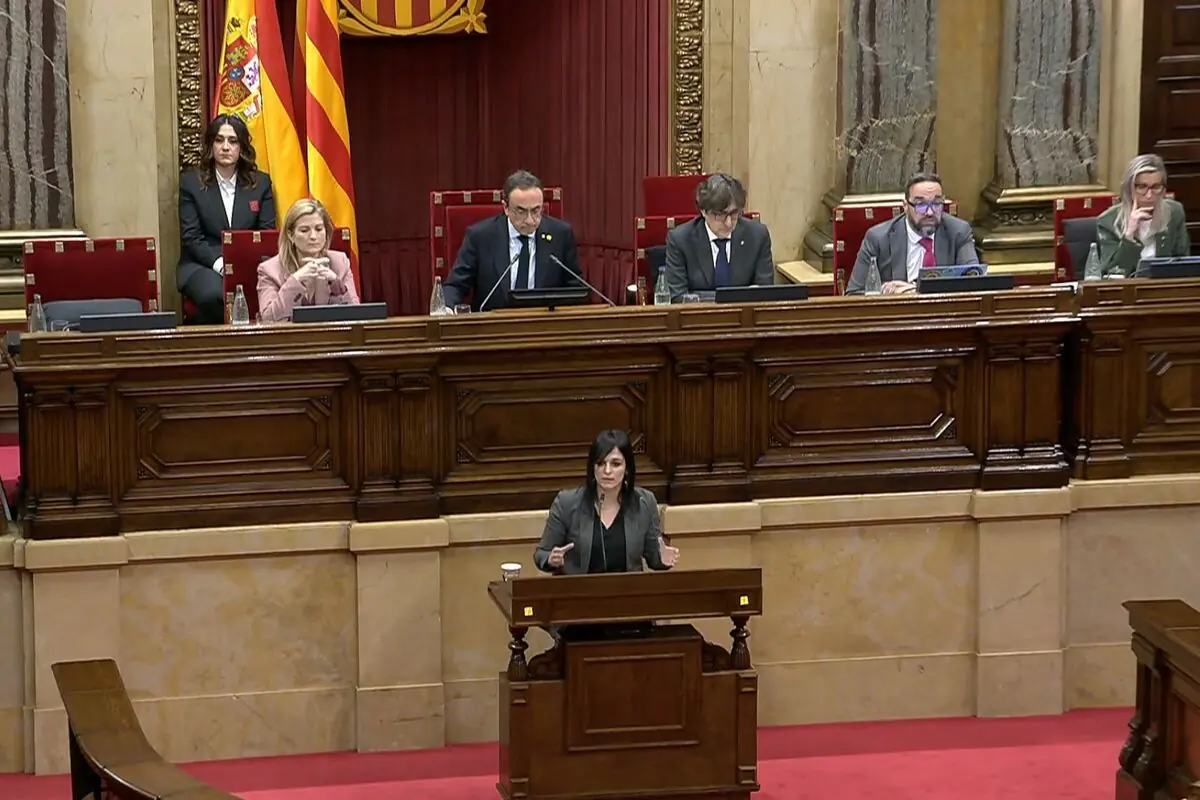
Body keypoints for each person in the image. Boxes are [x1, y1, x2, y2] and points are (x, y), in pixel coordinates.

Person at [535, 429, 679, 575]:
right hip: (578, 593)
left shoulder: (644, 502)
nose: (607, 471)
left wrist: (662, 558)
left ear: (627, 468)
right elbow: (541, 553)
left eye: (615, 464)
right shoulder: (567, 502)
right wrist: (551, 559)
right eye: (601, 463)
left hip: (626, 593)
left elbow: (654, 558)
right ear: (593, 467)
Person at [178, 114, 276, 324]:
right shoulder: (191, 183)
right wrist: (220, 264)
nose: (225, 147)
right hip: (203, 264)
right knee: (214, 296)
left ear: (242, 148)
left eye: (233, 141)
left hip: (249, 262)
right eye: (219, 140)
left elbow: (267, 233)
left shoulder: (261, 183)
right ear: (210, 145)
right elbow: (192, 237)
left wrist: (242, 265)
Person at [443, 170, 582, 311]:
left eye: (536, 211)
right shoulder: (481, 237)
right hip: (493, 326)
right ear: (506, 208)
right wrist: (447, 309)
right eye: (521, 211)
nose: (529, 220)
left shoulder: (560, 234)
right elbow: (455, 285)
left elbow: (576, 287)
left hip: (544, 326)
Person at [845, 172, 979, 295]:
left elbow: (974, 283)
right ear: (905, 206)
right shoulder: (878, 238)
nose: (930, 212)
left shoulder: (958, 232)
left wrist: (915, 289)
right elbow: (853, 294)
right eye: (921, 205)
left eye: (936, 204)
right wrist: (888, 294)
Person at [663, 173, 774, 300]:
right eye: (720, 215)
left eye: (734, 213)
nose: (729, 222)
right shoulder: (680, 240)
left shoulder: (757, 236)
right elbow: (677, 297)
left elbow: (765, 293)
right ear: (704, 211)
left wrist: (698, 295)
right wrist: (740, 296)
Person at [257, 198, 359, 322]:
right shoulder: (269, 270)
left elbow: (355, 314)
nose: (313, 236)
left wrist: (336, 283)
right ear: (290, 235)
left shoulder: (340, 262)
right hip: (290, 339)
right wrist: (295, 281)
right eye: (304, 230)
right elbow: (268, 318)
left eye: (319, 229)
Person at [1096, 154, 1191, 278]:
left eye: (1156, 187)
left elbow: (1184, 264)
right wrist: (1129, 235)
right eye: (1142, 187)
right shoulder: (1107, 221)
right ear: (1129, 189)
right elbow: (1111, 274)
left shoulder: (1174, 212)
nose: (1149, 195)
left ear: (1163, 190)